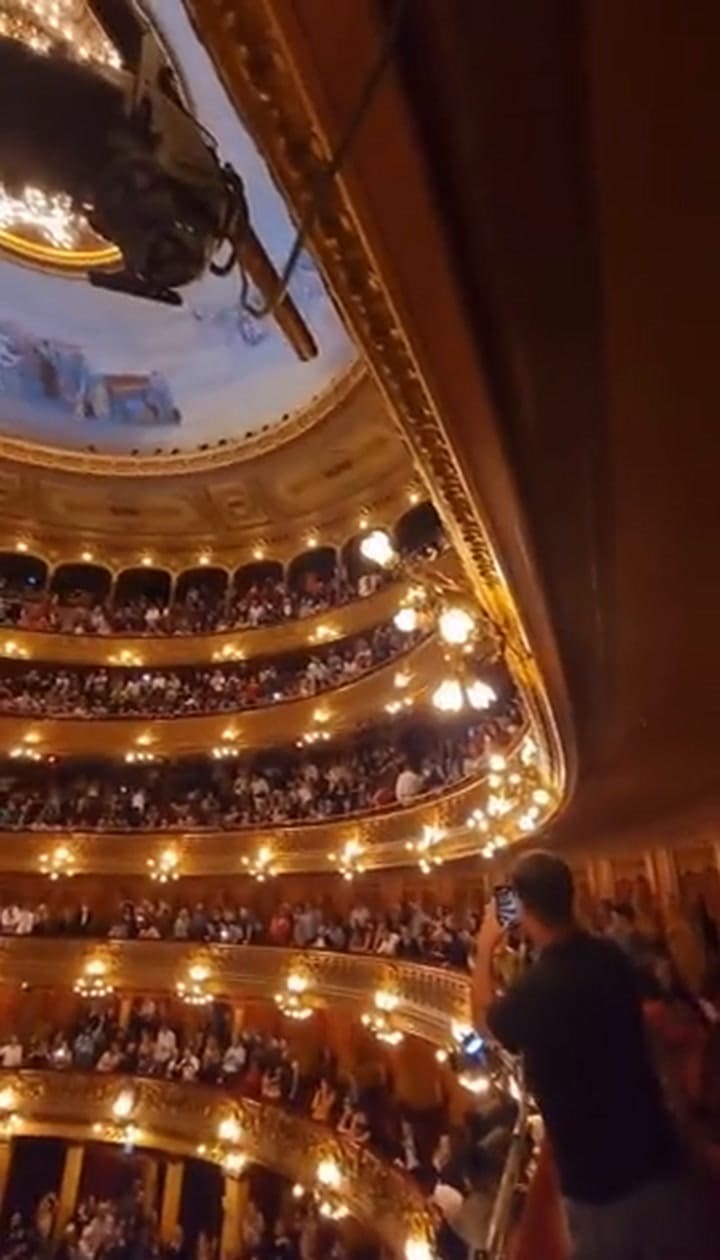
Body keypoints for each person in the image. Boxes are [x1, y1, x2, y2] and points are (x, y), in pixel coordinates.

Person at [471, 849, 716, 1260]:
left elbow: (483, 1025)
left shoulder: (535, 990)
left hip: (600, 1186)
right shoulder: (612, 957)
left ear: (523, 909)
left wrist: (484, 947)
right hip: (660, 1160)